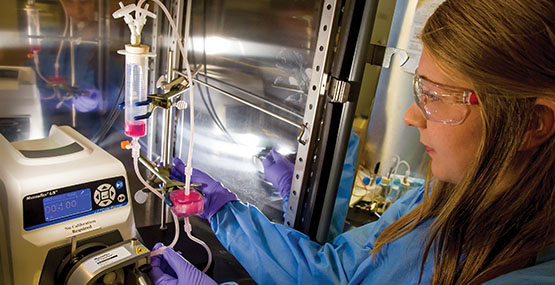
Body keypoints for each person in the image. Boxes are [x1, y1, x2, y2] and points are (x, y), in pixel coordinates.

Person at [149, 0, 555, 284]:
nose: (411, 116)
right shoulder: (436, 199)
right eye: (419, 89)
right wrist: (226, 213)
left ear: (533, 123)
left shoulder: (528, 272)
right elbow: (336, 273)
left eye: (435, 97)